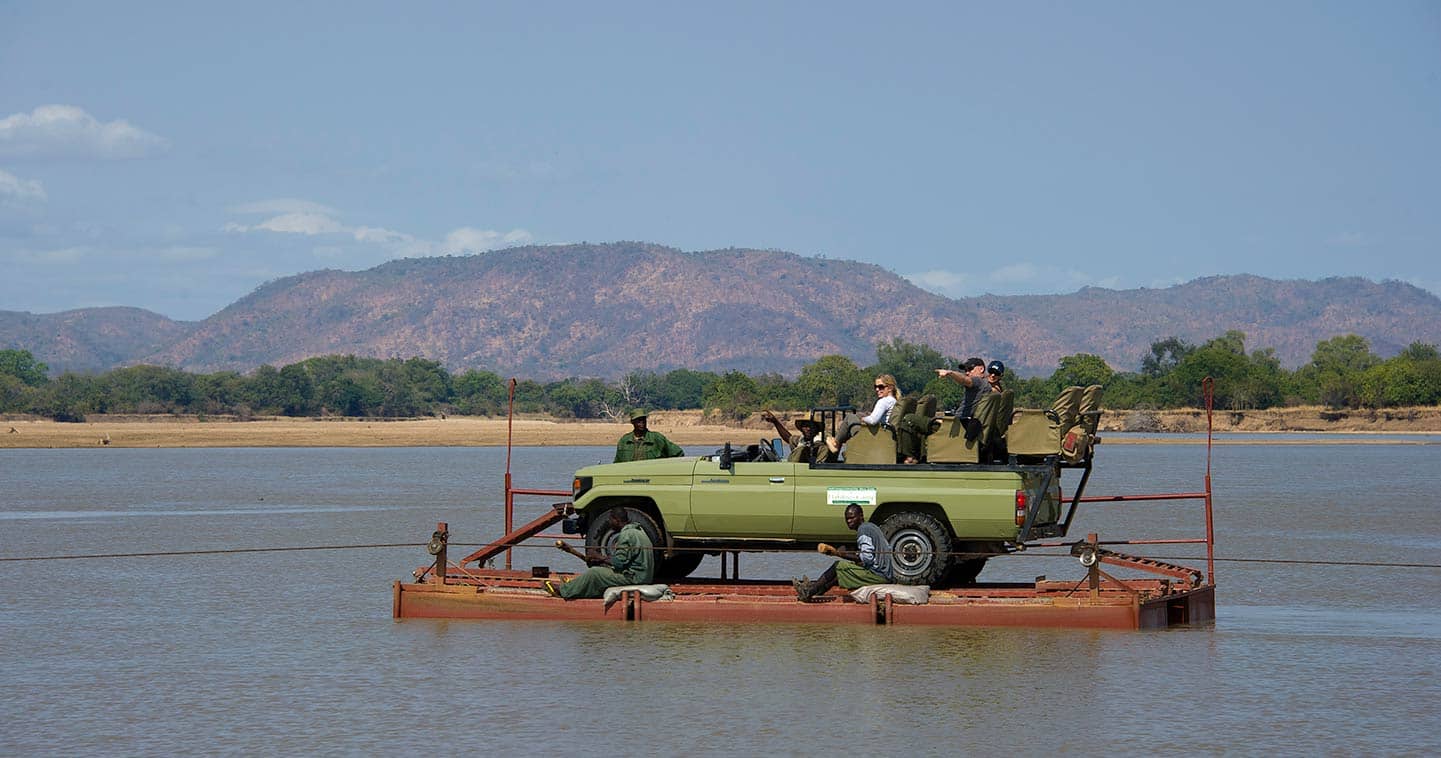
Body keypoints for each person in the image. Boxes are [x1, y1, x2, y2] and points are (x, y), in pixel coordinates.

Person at [792, 504, 894, 601]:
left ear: (861, 516)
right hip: (884, 573)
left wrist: (839, 554)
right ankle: (816, 590)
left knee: (838, 566)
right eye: (847, 519)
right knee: (843, 570)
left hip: (879, 575)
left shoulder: (863, 529)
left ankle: (809, 591)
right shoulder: (871, 527)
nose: (849, 521)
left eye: (852, 517)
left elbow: (867, 558)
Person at [544, 509, 655, 599]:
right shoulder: (639, 530)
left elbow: (619, 563)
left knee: (595, 572)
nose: (609, 523)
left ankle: (564, 591)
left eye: (610, 520)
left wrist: (598, 557)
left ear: (616, 520)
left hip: (635, 578)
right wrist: (602, 560)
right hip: (645, 576)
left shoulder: (626, 535)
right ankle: (577, 586)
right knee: (600, 570)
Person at [828, 374, 901, 454]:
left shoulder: (883, 401)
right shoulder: (894, 401)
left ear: (890, 388)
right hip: (885, 434)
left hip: (875, 435)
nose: (877, 389)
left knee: (850, 417)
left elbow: (873, 420)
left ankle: (836, 443)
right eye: (875, 387)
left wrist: (862, 419)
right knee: (858, 415)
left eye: (881, 387)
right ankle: (837, 443)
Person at [760, 410, 837, 463]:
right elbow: (788, 438)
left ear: (817, 428)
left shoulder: (821, 442)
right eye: (805, 426)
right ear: (801, 428)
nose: (808, 429)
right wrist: (775, 422)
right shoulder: (802, 440)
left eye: (811, 426)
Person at [614, 409, 685, 463]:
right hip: (630, 479)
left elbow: (678, 453)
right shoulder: (624, 441)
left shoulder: (656, 438)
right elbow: (617, 464)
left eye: (643, 420)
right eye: (638, 420)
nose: (642, 423)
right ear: (632, 422)